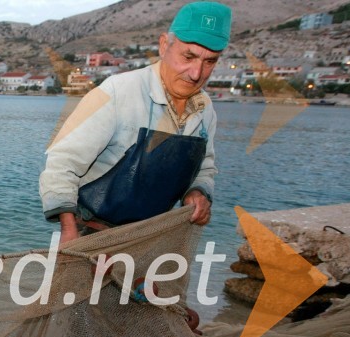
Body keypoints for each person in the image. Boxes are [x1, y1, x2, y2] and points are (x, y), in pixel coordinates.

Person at [40, 1, 232, 243]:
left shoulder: (205, 110)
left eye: (210, 62)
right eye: (188, 56)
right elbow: (62, 163)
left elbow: (205, 166)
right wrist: (69, 231)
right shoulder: (116, 92)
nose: (196, 73)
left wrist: (198, 191)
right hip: (89, 233)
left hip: (149, 238)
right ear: (164, 45)